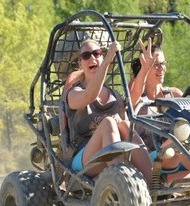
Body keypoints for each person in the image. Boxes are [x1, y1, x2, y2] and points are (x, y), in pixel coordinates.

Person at [129, 38, 190, 180]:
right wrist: (145, 69)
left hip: (181, 155)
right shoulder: (138, 97)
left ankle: (179, 179)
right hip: (153, 158)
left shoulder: (174, 94)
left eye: (163, 64)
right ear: (145, 66)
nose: (162, 69)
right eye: (156, 64)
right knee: (177, 139)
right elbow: (132, 99)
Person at [64, 39, 152, 182]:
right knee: (108, 123)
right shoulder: (74, 93)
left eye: (96, 53)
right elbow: (89, 96)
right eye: (86, 56)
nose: (92, 58)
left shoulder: (113, 95)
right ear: (80, 63)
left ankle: (153, 183)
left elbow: (133, 98)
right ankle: (122, 183)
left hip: (113, 153)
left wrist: (145, 69)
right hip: (83, 158)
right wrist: (107, 60)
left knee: (125, 125)